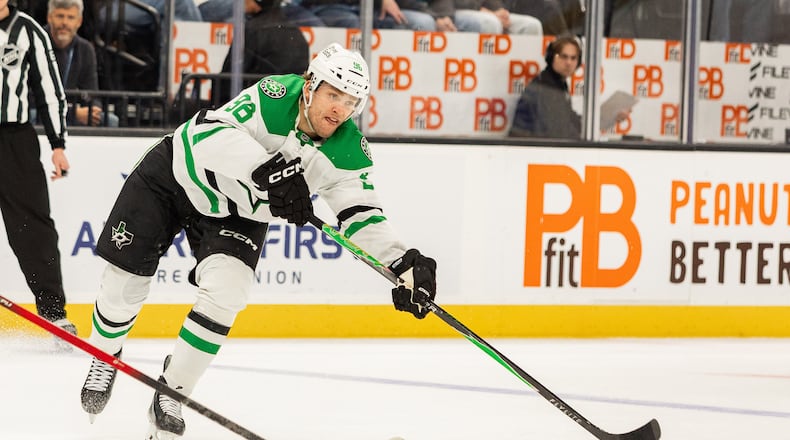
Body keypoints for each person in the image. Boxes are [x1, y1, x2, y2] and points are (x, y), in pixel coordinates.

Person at [79, 42, 438, 439]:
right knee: (123, 283)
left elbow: (362, 213)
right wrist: (270, 170)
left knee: (228, 293)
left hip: (239, 213)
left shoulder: (349, 149)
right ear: (310, 85)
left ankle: (173, 390)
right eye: (333, 94)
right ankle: (104, 355)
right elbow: (209, 135)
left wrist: (402, 261)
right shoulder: (275, 96)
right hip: (174, 177)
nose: (339, 109)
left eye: (350, 101)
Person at [0, 0, 76, 347]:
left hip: (15, 139)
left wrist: (57, 144)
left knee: (32, 228)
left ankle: (53, 314)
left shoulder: (28, 30)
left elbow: (49, 91)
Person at [42, 0, 118, 126]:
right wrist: (71, 113)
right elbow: (30, 99)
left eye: (71, 17)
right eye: (60, 16)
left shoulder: (86, 49)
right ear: (49, 18)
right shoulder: (34, 43)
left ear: (79, 22)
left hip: (73, 112)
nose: (65, 23)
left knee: (111, 121)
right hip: (42, 112)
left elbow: (92, 93)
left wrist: (93, 110)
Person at [510, 35, 582, 138]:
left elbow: (568, 118)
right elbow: (554, 131)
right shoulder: (546, 87)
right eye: (563, 57)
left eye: (573, 58)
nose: (568, 63)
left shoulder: (558, 83)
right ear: (551, 57)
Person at [454, 0, 542, 35]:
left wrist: (499, 11)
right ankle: (488, 71)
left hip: (485, 10)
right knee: (491, 23)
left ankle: (527, 73)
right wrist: (481, 10)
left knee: (531, 25)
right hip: (451, 11)